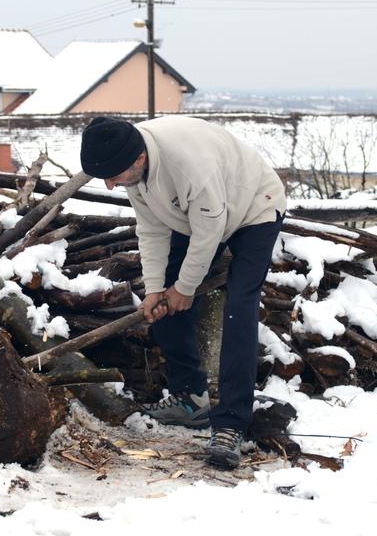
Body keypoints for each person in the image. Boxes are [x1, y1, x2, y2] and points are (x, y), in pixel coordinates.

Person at [80, 115, 284, 468]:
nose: (111, 186)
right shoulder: (130, 158)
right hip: (198, 214)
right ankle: (191, 396)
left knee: (240, 304)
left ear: (139, 159)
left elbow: (210, 232)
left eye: (113, 176)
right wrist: (157, 289)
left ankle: (231, 423)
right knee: (164, 299)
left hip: (254, 206)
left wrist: (185, 289)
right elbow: (151, 229)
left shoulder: (190, 165)